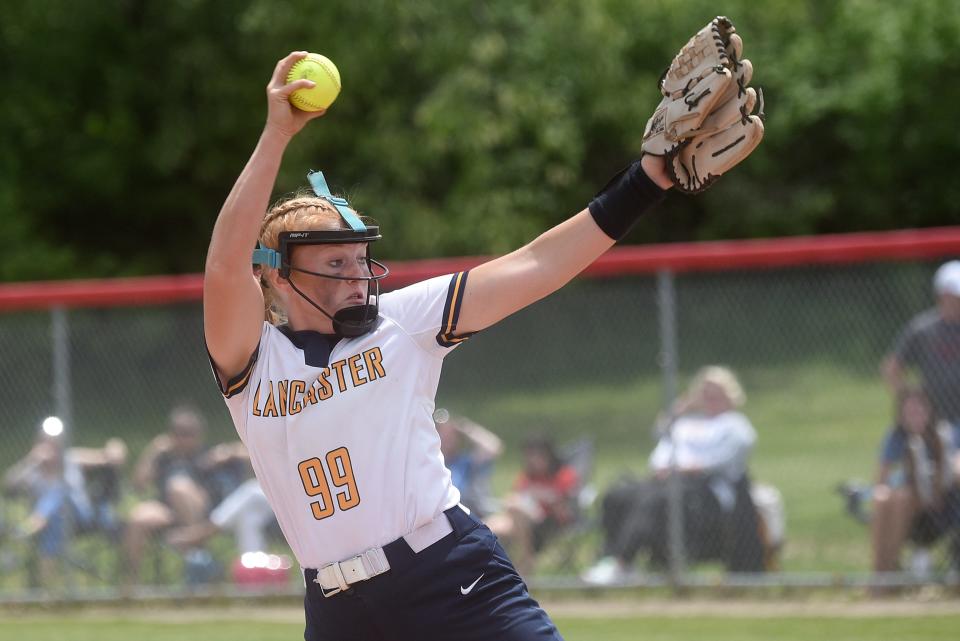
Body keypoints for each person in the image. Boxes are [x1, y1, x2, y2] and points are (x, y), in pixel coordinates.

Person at [203, 28, 761, 640]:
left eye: (360, 260)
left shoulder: (403, 322)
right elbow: (226, 267)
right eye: (334, 264)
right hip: (339, 613)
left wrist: (647, 180)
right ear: (277, 280)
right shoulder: (255, 365)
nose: (357, 277)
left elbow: (537, 264)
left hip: (450, 579)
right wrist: (277, 134)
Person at [582, 366, 764, 585]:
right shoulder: (686, 423)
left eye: (716, 392)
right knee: (618, 494)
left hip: (706, 490)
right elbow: (660, 449)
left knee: (653, 499)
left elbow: (717, 461)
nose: (709, 397)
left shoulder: (735, 425)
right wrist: (679, 409)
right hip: (667, 481)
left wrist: (680, 469)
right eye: (704, 392)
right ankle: (609, 559)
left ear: (730, 394)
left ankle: (623, 563)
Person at [122, 405, 246, 584]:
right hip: (168, 511)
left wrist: (229, 452)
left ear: (199, 434)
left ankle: (197, 553)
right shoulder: (164, 457)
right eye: (178, 432)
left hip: (203, 512)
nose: (182, 437)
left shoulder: (207, 455)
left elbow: (252, 456)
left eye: (188, 433)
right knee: (138, 517)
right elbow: (139, 484)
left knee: (178, 488)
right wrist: (153, 451)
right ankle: (131, 582)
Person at [3, 429, 127, 586]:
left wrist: (115, 446)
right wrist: (30, 460)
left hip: (81, 518)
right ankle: (47, 589)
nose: (50, 447)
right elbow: (8, 483)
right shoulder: (33, 468)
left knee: (59, 491)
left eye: (54, 443)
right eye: (45, 442)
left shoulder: (71, 458)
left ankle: (29, 526)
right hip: (53, 523)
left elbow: (110, 455)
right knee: (53, 522)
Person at [871, 387, 960, 579]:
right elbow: (881, 480)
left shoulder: (941, 435)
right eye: (909, 412)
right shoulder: (897, 436)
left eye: (919, 410)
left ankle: (885, 575)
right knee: (883, 498)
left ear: (929, 411)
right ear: (901, 415)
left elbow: (954, 468)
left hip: (938, 506)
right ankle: (880, 573)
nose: (915, 416)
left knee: (902, 498)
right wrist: (885, 491)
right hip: (903, 502)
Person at [882, 260, 960, 448]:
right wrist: (910, 402)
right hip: (930, 420)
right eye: (952, 296)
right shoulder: (923, 329)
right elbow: (892, 368)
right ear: (942, 295)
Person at [487, 436, 579, 577]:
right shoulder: (528, 476)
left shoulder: (564, 474)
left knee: (515, 508)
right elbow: (513, 497)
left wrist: (540, 495)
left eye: (536, 456)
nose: (531, 460)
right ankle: (491, 573)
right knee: (489, 525)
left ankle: (526, 558)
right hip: (522, 520)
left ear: (548, 456)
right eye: (529, 456)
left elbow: (565, 503)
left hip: (550, 521)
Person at [434, 409, 503, 518]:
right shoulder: (431, 465)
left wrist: (463, 426)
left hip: (467, 516)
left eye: (452, 435)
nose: (448, 439)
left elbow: (494, 447)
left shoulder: (466, 463)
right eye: (443, 434)